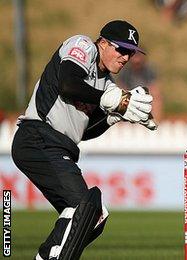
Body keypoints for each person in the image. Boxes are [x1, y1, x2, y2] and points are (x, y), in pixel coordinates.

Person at [11, 20, 155, 259]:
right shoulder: (82, 46)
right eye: (121, 49)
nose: (126, 57)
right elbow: (68, 85)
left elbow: (85, 131)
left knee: (94, 216)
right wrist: (108, 100)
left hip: (58, 146)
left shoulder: (107, 84)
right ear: (103, 43)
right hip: (38, 137)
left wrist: (115, 115)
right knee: (84, 206)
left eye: (130, 53)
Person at [116, 51, 164, 120]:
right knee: (120, 97)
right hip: (130, 99)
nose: (136, 61)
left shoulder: (148, 71)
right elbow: (121, 88)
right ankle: (121, 124)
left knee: (156, 97)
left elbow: (154, 88)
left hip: (145, 99)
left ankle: (156, 121)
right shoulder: (126, 72)